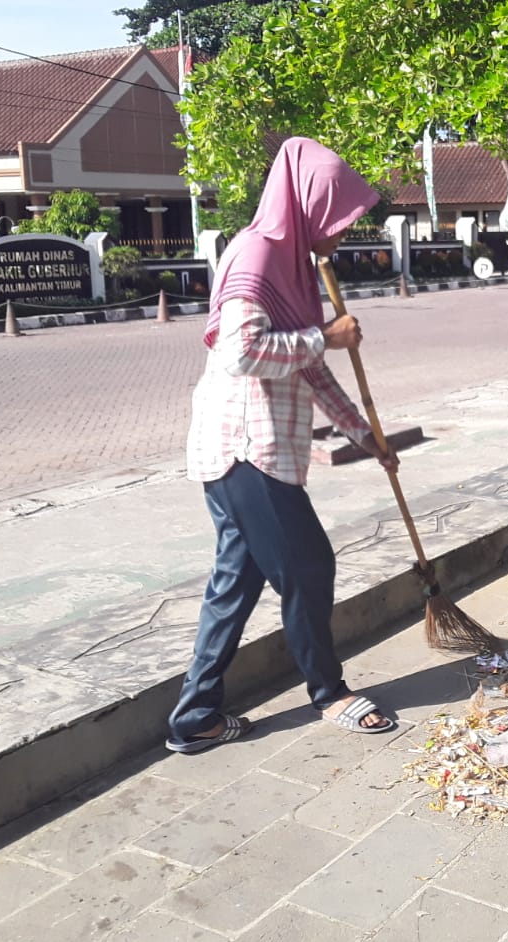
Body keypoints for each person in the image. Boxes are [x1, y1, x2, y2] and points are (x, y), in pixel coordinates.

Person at [166, 137, 399, 754]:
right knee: (308, 565)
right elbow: (240, 352)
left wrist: (364, 435)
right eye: (339, 219)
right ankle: (329, 694)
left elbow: (309, 368)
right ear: (309, 204)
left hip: (253, 450)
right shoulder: (258, 254)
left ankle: (195, 719)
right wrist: (326, 335)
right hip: (244, 448)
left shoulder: (294, 266)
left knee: (235, 584)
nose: (343, 235)